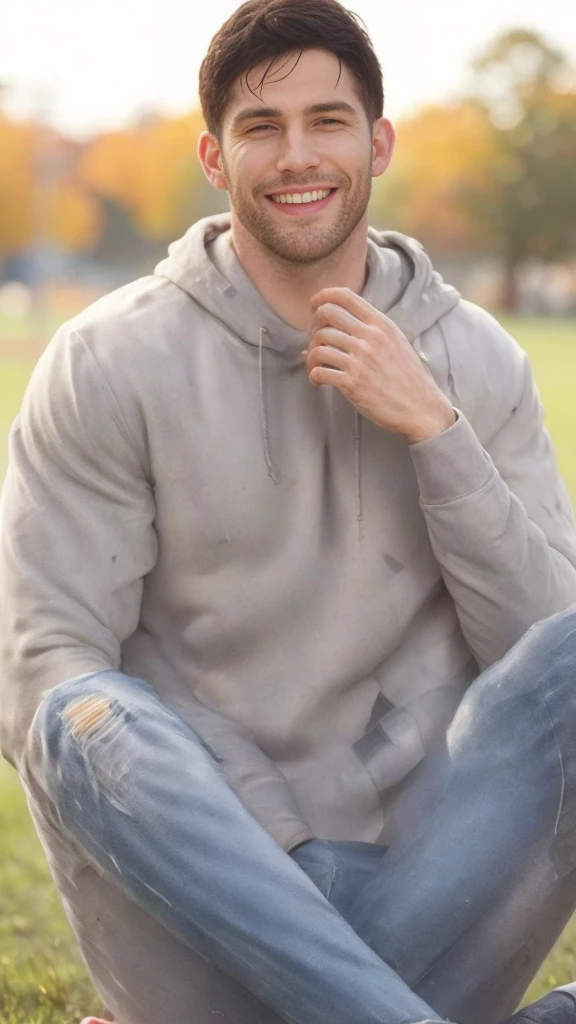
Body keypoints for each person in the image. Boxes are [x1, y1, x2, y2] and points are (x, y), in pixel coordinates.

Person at [2, 1, 576, 1023]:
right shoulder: (109, 361)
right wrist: (279, 845)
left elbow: (542, 668)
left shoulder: (476, 359)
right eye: (261, 127)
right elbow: (41, 662)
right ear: (216, 159)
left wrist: (436, 433)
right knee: (81, 713)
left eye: (329, 120)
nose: (297, 155)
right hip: (202, 901)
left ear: (379, 142)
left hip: (438, 882)